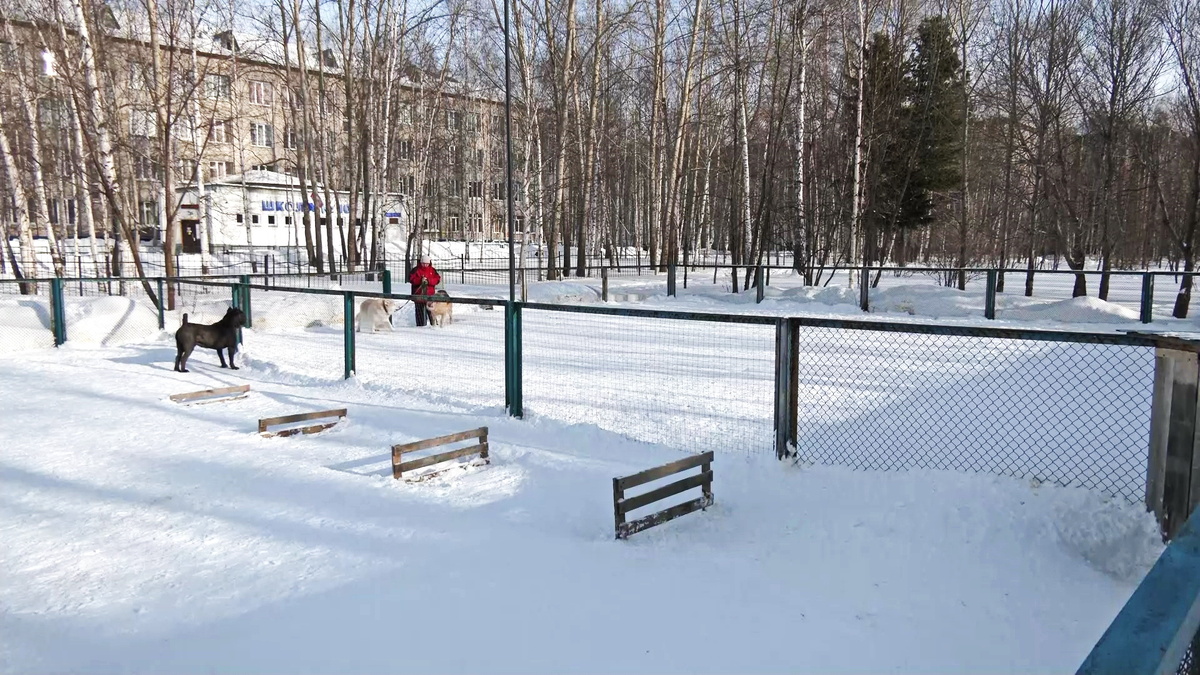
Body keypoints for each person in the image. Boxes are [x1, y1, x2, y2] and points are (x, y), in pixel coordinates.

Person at [408, 256, 441, 327]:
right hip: (418, 296)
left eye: (427, 263)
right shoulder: (415, 270)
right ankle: (420, 327)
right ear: (421, 263)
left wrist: (429, 281)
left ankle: (434, 326)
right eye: (423, 263)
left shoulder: (433, 270)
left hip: (430, 297)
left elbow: (437, 279)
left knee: (432, 314)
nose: (425, 265)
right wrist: (420, 280)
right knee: (420, 316)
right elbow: (411, 279)